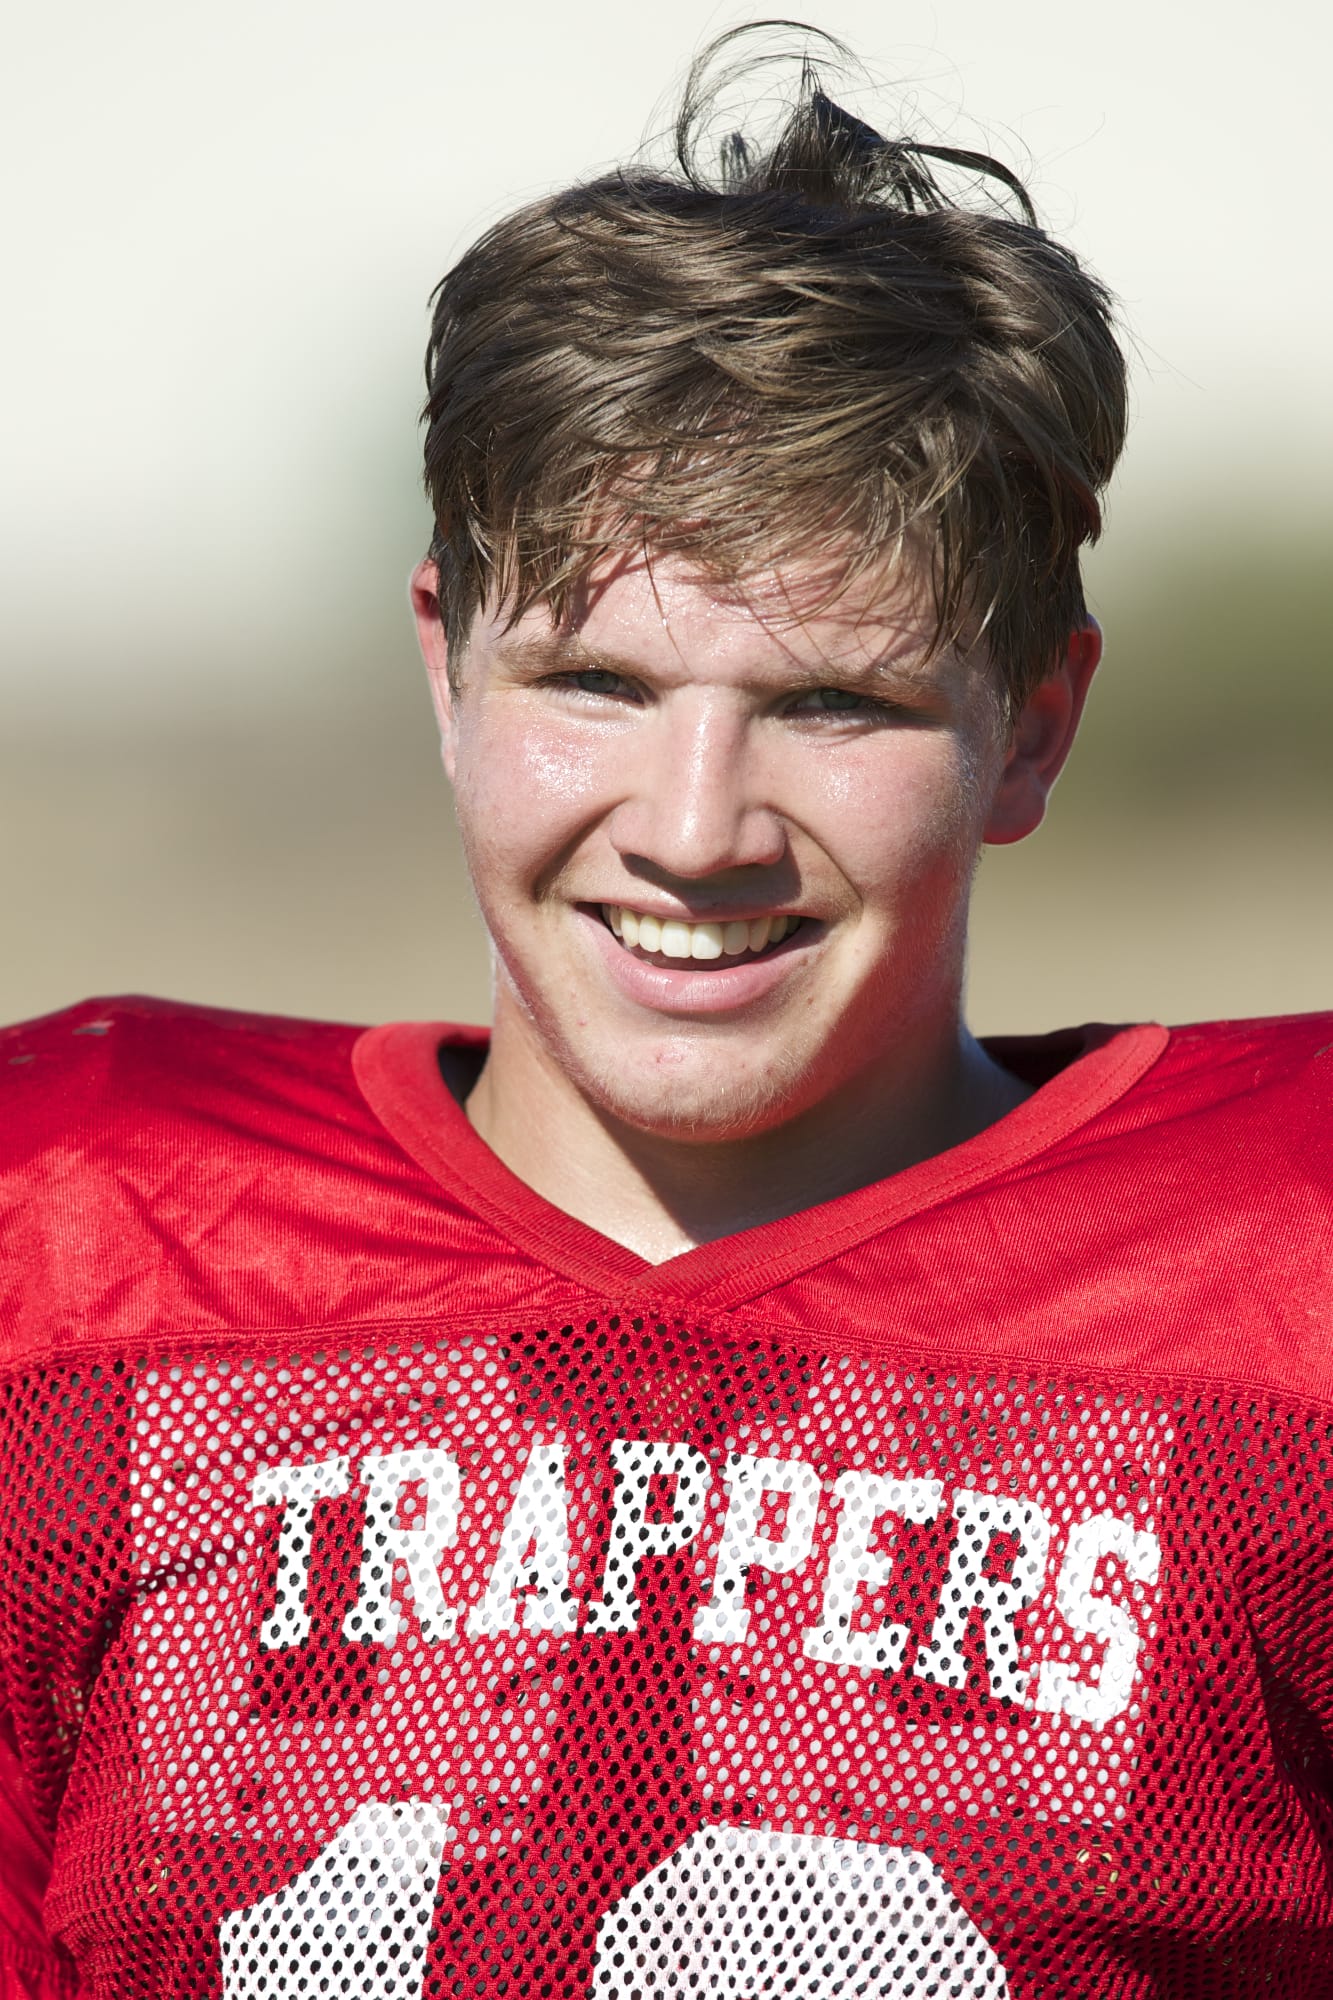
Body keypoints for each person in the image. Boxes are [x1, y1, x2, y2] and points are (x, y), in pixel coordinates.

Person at [2, 22, 1330, 1999]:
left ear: (1031, 727)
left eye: (833, 703)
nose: (696, 830)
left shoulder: (1281, 1282)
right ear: (447, 668)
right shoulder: (84, 1233)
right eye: (598, 687)